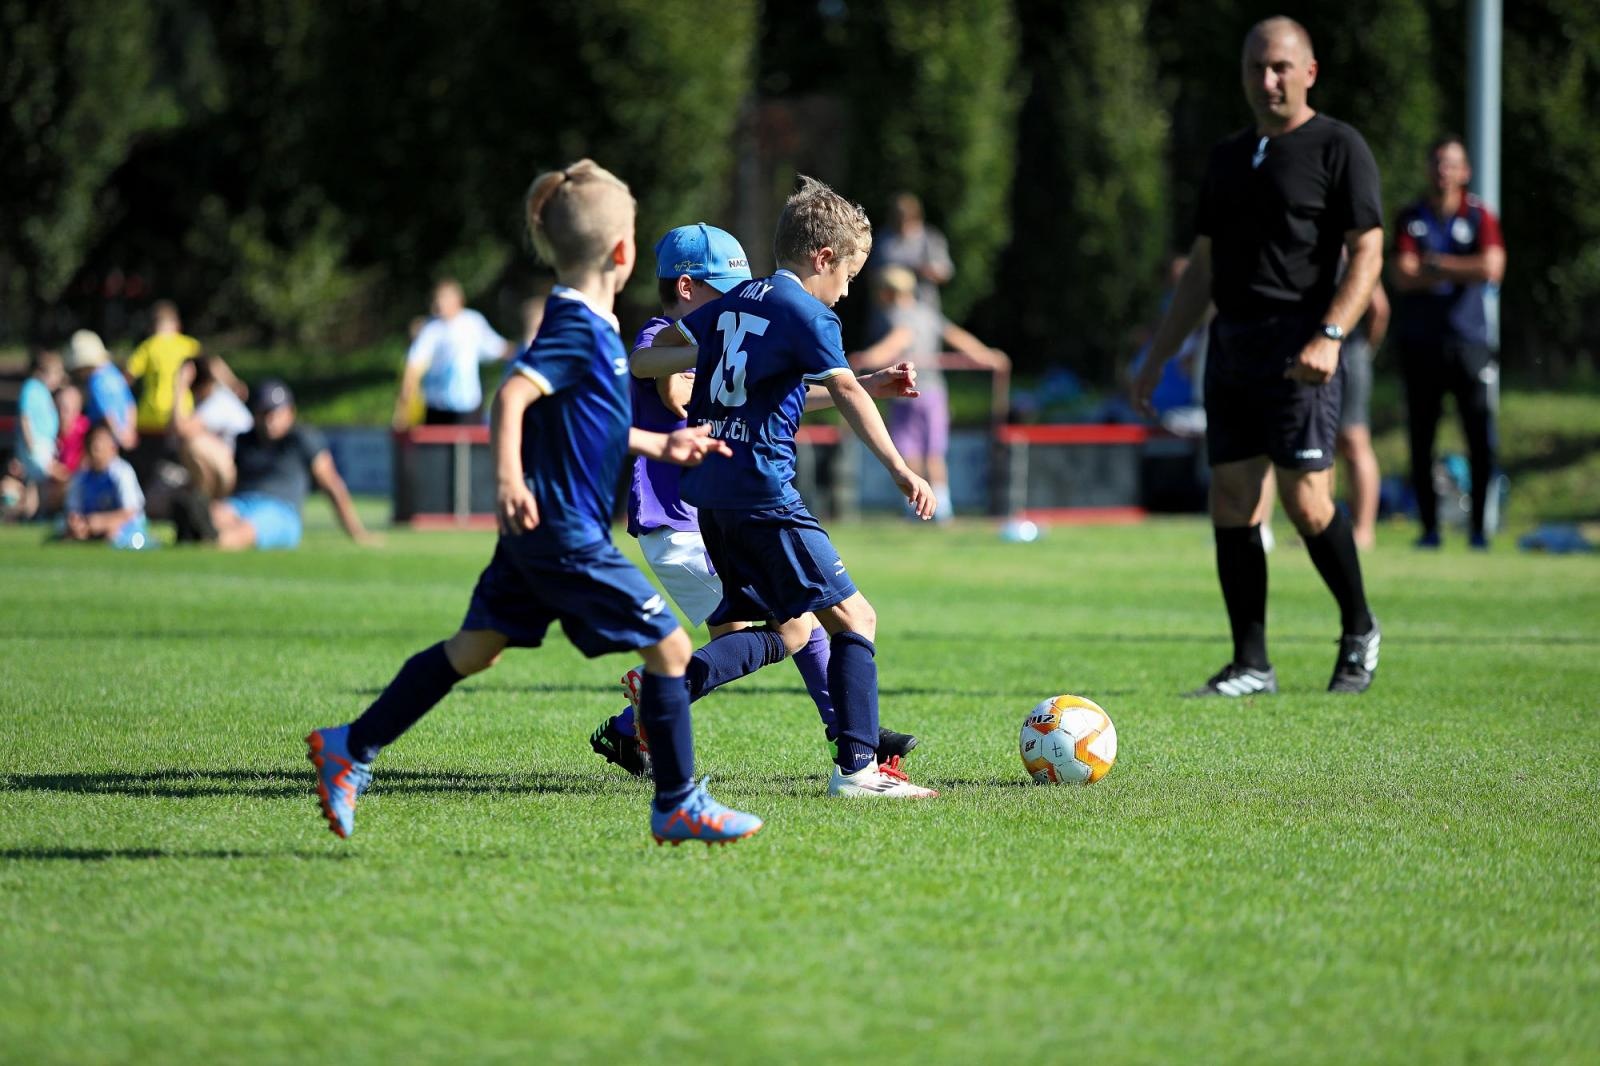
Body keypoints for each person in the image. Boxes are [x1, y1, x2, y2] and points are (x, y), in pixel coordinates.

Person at [306, 160, 763, 846]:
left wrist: (656, 446)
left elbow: (593, 423)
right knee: (669, 648)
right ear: (623, 251)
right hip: (562, 531)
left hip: (541, 533)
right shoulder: (576, 324)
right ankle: (677, 803)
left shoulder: (596, 327)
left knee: (474, 649)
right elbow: (512, 395)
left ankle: (350, 746)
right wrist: (508, 480)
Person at [633, 175, 941, 798]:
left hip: (713, 502)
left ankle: (651, 703)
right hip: (764, 497)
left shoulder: (735, 302)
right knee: (855, 617)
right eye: (849, 276)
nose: (847, 291)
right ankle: (858, 770)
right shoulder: (808, 312)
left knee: (786, 630)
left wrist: (663, 363)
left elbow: (649, 362)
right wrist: (902, 469)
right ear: (823, 258)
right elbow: (847, 390)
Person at [1133, 17, 1383, 696]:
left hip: (1302, 343)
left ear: (1309, 72)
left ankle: (1359, 629)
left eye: (1279, 67)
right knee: (1233, 497)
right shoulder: (1227, 157)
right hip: (1233, 344)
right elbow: (1203, 267)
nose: (1267, 80)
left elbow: (1367, 251)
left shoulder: (1339, 146)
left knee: (1306, 501)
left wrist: (1330, 336)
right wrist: (1157, 357)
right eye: (1255, 68)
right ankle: (1251, 663)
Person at [1390, 135, 1507, 549]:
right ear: (1429, 168)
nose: (1444, 170)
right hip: (1421, 344)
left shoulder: (1479, 216)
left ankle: (1479, 530)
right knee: (1421, 440)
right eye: (1438, 162)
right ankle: (1429, 529)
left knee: (1480, 437)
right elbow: (1403, 275)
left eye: (1452, 163)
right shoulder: (1411, 216)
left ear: (1465, 171)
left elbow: (1492, 266)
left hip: (1470, 341)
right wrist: (1463, 269)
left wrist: (1437, 265)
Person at [851, 264, 1009, 522]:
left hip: (906, 393)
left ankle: (917, 507)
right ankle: (942, 507)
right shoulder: (928, 313)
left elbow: (899, 340)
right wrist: (987, 356)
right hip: (935, 392)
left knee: (909, 449)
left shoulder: (898, 315)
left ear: (889, 293)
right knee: (934, 451)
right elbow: (957, 337)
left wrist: (867, 359)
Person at [208, 379, 376, 550]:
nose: (270, 420)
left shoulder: (301, 439)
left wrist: (357, 532)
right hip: (241, 503)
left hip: (280, 510)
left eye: (276, 413)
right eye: (264, 413)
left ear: (290, 412)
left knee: (236, 535)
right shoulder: (243, 440)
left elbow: (332, 484)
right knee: (207, 520)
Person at [393, 279, 514, 428]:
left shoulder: (472, 322)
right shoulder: (431, 328)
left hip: (467, 404)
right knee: (437, 449)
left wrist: (523, 353)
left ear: (458, 299)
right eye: (437, 298)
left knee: (467, 448)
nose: (439, 303)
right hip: (436, 405)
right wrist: (406, 392)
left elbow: (497, 348)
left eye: (444, 298)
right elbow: (415, 362)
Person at [1336, 277, 1388, 548]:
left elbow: (1379, 308)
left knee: (1354, 439)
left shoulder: (1353, 248)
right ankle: (1318, 526)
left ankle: (1363, 530)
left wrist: (1364, 351)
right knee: (1318, 443)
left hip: (1348, 351)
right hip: (1307, 349)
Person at [61, 421, 149, 548]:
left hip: (127, 527)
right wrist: (77, 524)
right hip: (90, 527)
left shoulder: (122, 472)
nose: (96, 446)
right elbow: (73, 510)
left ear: (113, 447)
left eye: (101, 441)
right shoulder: (81, 477)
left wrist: (102, 522)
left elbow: (130, 512)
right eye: (93, 442)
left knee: (112, 536)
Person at [2, 349, 66, 519]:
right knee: (47, 474)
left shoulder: (43, 392)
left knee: (36, 484)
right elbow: (25, 417)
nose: (58, 379)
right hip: (36, 444)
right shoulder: (32, 389)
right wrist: (31, 443)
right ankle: (24, 511)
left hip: (44, 443)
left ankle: (34, 514)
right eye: (56, 374)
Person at [127, 300, 202, 435]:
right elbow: (210, 367)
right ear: (177, 325)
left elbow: (129, 375)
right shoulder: (188, 345)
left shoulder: (148, 346)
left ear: (152, 327)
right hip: (181, 414)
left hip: (150, 417)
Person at [872, 192, 954, 311]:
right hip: (888, 307)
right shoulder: (883, 238)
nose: (901, 225)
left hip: (924, 306)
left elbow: (946, 272)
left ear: (916, 217)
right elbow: (872, 272)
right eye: (897, 220)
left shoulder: (931, 238)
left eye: (906, 220)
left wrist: (926, 270)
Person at [66, 330, 137, 451]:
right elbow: (130, 404)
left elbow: (107, 413)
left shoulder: (96, 382)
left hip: (106, 435)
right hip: (124, 433)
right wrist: (130, 430)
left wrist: (120, 437)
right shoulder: (113, 372)